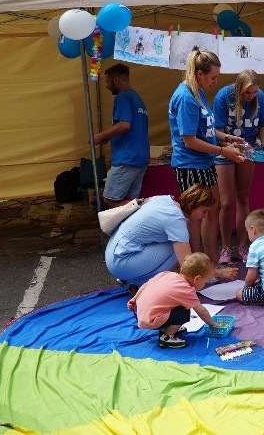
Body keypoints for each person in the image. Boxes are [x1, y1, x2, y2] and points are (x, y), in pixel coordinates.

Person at [168, 50, 245, 265]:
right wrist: (223, 151)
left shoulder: (198, 92)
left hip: (205, 162)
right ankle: (196, 266)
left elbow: (207, 130)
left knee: (212, 208)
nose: (215, 81)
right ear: (200, 73)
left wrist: (228, 138)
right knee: (195, 216)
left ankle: (210, 261)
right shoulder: (186, 98)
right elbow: (189, 140)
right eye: (213, 77)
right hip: (190, 164)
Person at [104, 184, 237, 292]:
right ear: (191, 206)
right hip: (121, 262)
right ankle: (145, 284)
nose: (205, 216)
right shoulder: (176, 219)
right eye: (204, 211)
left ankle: (135, 281)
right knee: (178, 249)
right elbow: (188, 264)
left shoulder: (166, 200)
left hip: (115, 254)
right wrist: (218, 273)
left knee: (178, 244)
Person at [213, 69, 264, 264]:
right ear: (239, 88)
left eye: (254, 92)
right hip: (226, 148)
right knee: (226, 202)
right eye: (248, 93)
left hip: (249, 148)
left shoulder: (259, 96)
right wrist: (228, 148)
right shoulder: (224, 96)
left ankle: (242, 246)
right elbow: (217, 130)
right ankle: (226, 248)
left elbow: (263, 126)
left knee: (243, 198)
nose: (251, 96)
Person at [127, 252, 223, 349]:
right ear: (197, 278)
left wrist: (134, 299)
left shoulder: (167, 274)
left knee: (177, 305)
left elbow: (145, 285)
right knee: (184, 311)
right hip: (152, 320)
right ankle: (167, 337)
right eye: (205, 282)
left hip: (142, 314)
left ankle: (166, 327)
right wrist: (212, 323)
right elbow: (201, 312)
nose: (205, 284)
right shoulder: (186, 290)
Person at [93, 64, 150, 208]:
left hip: (127, 159)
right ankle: (133, 228)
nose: (106, 86)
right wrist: (110, 136)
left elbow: (125, 125)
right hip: (140, 158)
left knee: (111, 199)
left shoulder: (123, 97)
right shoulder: (137, 98)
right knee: (130, 201)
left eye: (107, 81)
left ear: (116, 80)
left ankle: (127, 229)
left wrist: (100, 136)